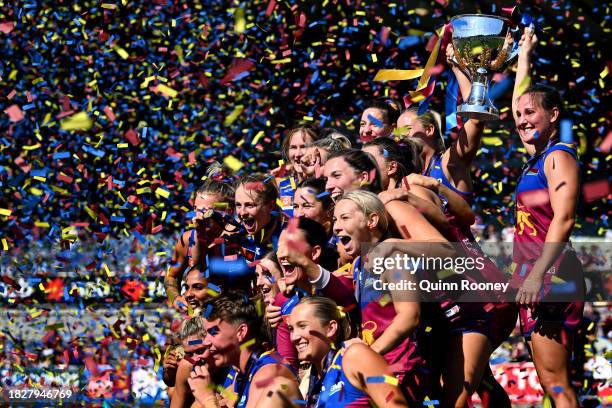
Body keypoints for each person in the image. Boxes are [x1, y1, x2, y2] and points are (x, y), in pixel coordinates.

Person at [510, 27, 584, 408]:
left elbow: (565, 217)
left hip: (550, 273)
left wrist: (538, 274)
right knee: (548, 379)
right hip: (536, 272)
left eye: (530, 113)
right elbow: (516, 104)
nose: (521, 120)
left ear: (553, 115)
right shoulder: (536, 158)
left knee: (556, 382)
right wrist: (524, 55)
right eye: (519, 114)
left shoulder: (558, 157)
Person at [334, 190, 455, 404]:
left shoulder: (394, 258)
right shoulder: (359, 264)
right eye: (335, 219)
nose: (336, 227)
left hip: (404, 368)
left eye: (345, 218)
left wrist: (369, 353)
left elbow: (409, 316)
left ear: (372, 220)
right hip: (380, 364)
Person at [288, 296, 409, 407]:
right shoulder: (311, 382)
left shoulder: (355, 356)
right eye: (291, 329)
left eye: (302, 326)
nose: (294, 337)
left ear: (330, 328)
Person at [194, 291, 300, 408]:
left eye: (214, 333)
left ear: (241, 332)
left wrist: (208, 399)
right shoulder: (242, 372)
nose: (206, 342)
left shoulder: (269, 374)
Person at [165, 164, 235, 313]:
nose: (197, 217)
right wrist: (176, 298)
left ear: (227, 212)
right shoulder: (186, 240)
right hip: (199, 322)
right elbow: (171, 276)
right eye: (196, 210)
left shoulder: (238, 241)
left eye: (205, 212)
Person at [171, 316, 227, 408]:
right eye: (189, 354)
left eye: (200, 351)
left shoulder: (230, 364)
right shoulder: (187, 366)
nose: (195, 359)